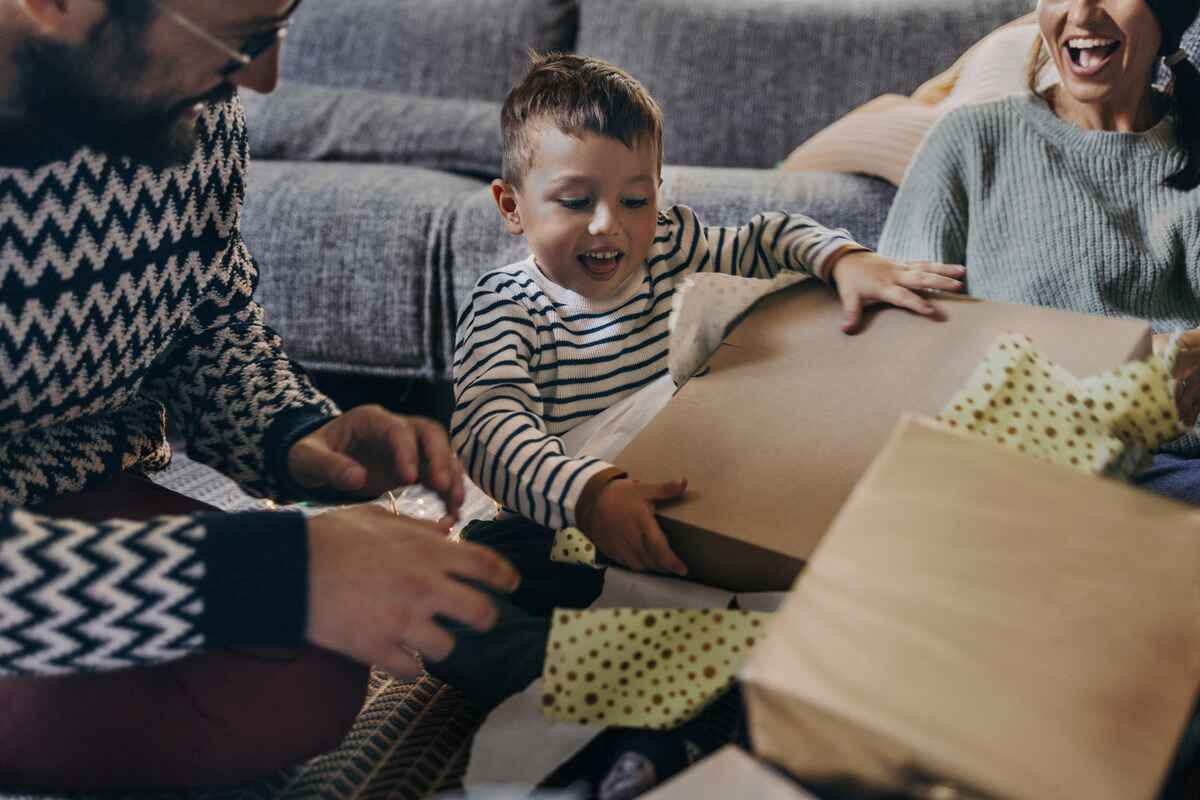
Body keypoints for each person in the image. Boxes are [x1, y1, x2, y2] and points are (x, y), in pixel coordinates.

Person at [0, 0, 518, 788]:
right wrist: (266, 573)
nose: (268, 76)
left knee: (307, 667)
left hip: (82, 491)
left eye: (280, 25)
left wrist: (301, 440)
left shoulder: (194, 116)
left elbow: (207, 323)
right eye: (243, 37)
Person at [429, 52, 963, 798]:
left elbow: (768, 236)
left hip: (672, 521)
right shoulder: (506, 307)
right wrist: (587, 494)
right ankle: (641, 700)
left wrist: (844, 260)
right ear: (512, 206)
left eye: (636, 199)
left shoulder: (672, 244)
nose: (609, 226)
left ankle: (681, 695)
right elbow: (490, 429)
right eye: (575, 201)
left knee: (806, 597)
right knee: (442, 614)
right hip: (549, 524)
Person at [874, 0, 1200, 503]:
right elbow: (901, 348)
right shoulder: (969, 141)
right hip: (1009, 456)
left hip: (1169, 468)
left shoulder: (1191, 153)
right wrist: (1128, 361)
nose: (1083, 13)